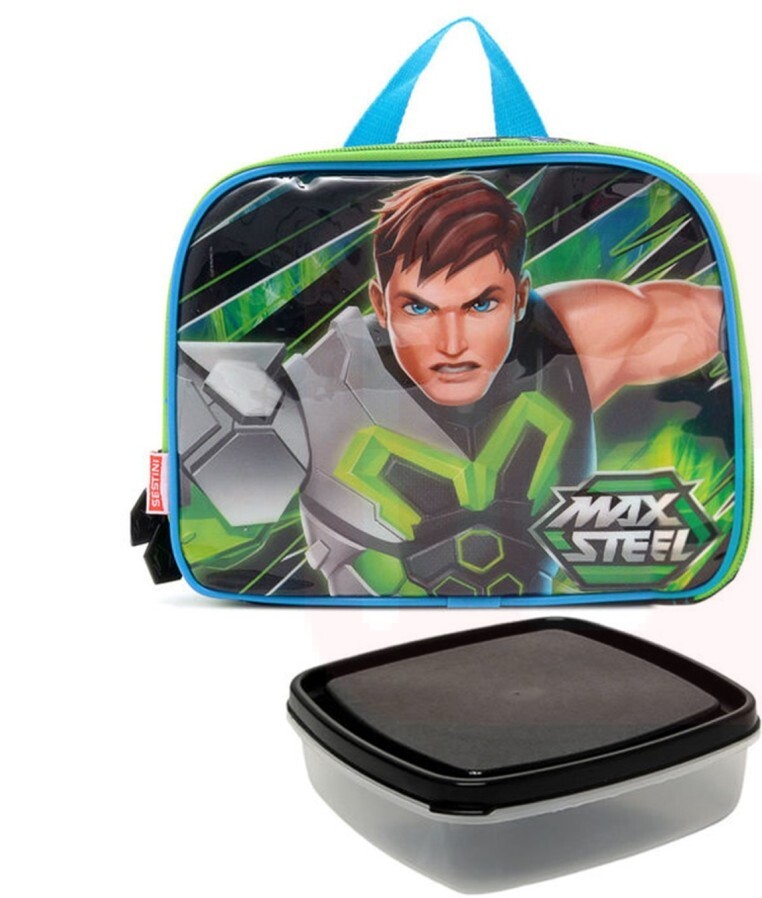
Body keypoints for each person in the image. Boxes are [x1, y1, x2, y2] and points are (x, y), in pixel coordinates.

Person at [181, 172, 724, 598]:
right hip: (363, 653)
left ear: (519, 297)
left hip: (550, 645)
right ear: (379, 305)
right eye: (419, 308)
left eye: (480, 304)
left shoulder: (576, 339)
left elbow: (720, 321)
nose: (452, 342)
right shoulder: (305, 392)